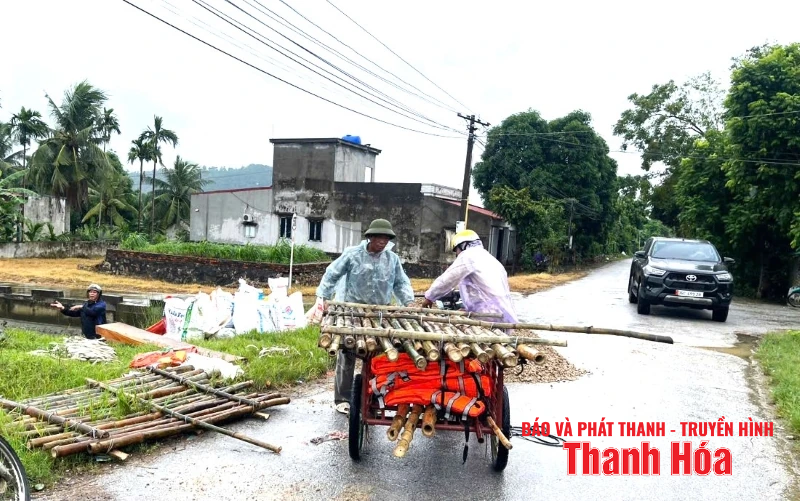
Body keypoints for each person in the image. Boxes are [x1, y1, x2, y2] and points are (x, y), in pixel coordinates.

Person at [314, 218, 415, 415]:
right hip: (351, 311)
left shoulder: (392, 259)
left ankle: (372, 398)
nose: (383, 241)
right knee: (347, 354)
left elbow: (401, 283)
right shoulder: (353, 254)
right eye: (379, 237)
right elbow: (332, 273)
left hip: (380, 312)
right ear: (370, 237)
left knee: (377, 356)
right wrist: (324, 296)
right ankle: (342, 399)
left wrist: (408, 302)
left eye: (387, 238)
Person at [421, 229, 518, 324]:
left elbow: (448, 279)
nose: (457, 254)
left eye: (456, 250)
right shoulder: (490, 259)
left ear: (463, 245)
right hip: (505, 314)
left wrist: (430, 297)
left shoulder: (468, 256)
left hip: (489, 315)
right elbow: (480, 290)